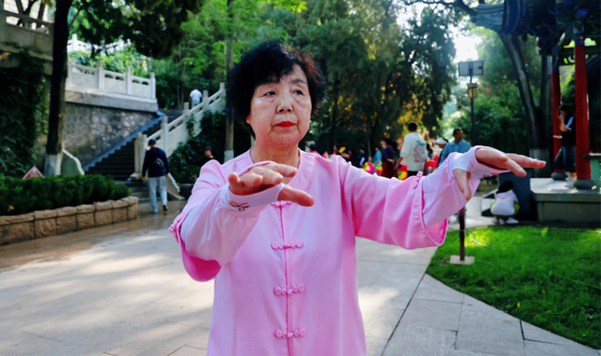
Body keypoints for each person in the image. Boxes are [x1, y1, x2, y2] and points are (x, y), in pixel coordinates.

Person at [167, 41, 544, 356]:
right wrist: (235, 201)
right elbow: (199, 242)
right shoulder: (219, 178)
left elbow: (406, 203)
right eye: (269, 92)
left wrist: (464, 164)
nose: (285, 104)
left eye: (298, 91)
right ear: (246, 111)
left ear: (311, 107)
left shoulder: (337, 178)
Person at [142, 139, 170, 214]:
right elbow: (166, 162)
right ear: (156, 144)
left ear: (149, 145)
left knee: (152, 191)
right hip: (161, 173)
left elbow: (145, 164)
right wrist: (167, 171)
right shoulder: (162, 151)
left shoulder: (148, 153)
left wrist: (143, 174)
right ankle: (164, 203)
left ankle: (155, 209)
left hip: (152, 174)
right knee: (163, 189)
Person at [554, 104, 576, 187]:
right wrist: (561, 120)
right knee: (558, 162)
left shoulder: (572, 118)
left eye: (562, 112)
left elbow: (565, 129)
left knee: (568, 162)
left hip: (570, 143)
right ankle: (570, 178)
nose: (561, 114)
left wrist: (562, 120)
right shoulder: (566, 119)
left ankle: (573, 180)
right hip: (565, 143)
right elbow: (561, 128)